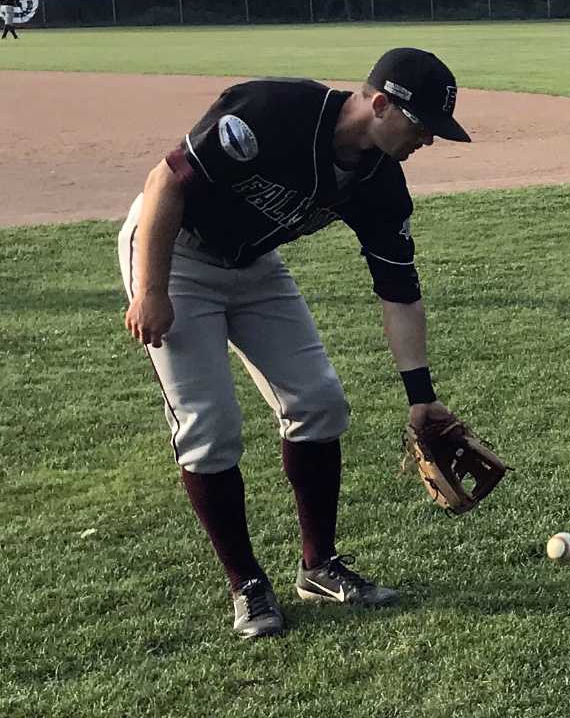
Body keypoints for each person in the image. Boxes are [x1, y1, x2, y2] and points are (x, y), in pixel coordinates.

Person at [118, 48, 472, 640]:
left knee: (320, 402)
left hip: (254, 266)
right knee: (209, 425)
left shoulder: (380, 182)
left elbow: (399, 291)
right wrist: (151, 288)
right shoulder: (271, 110)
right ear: (380, 104)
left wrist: (422, 396)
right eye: (421, 127)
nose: (426, 142)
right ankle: (247, 584)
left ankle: (319, 566)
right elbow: (165, 182)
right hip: (174, 250)